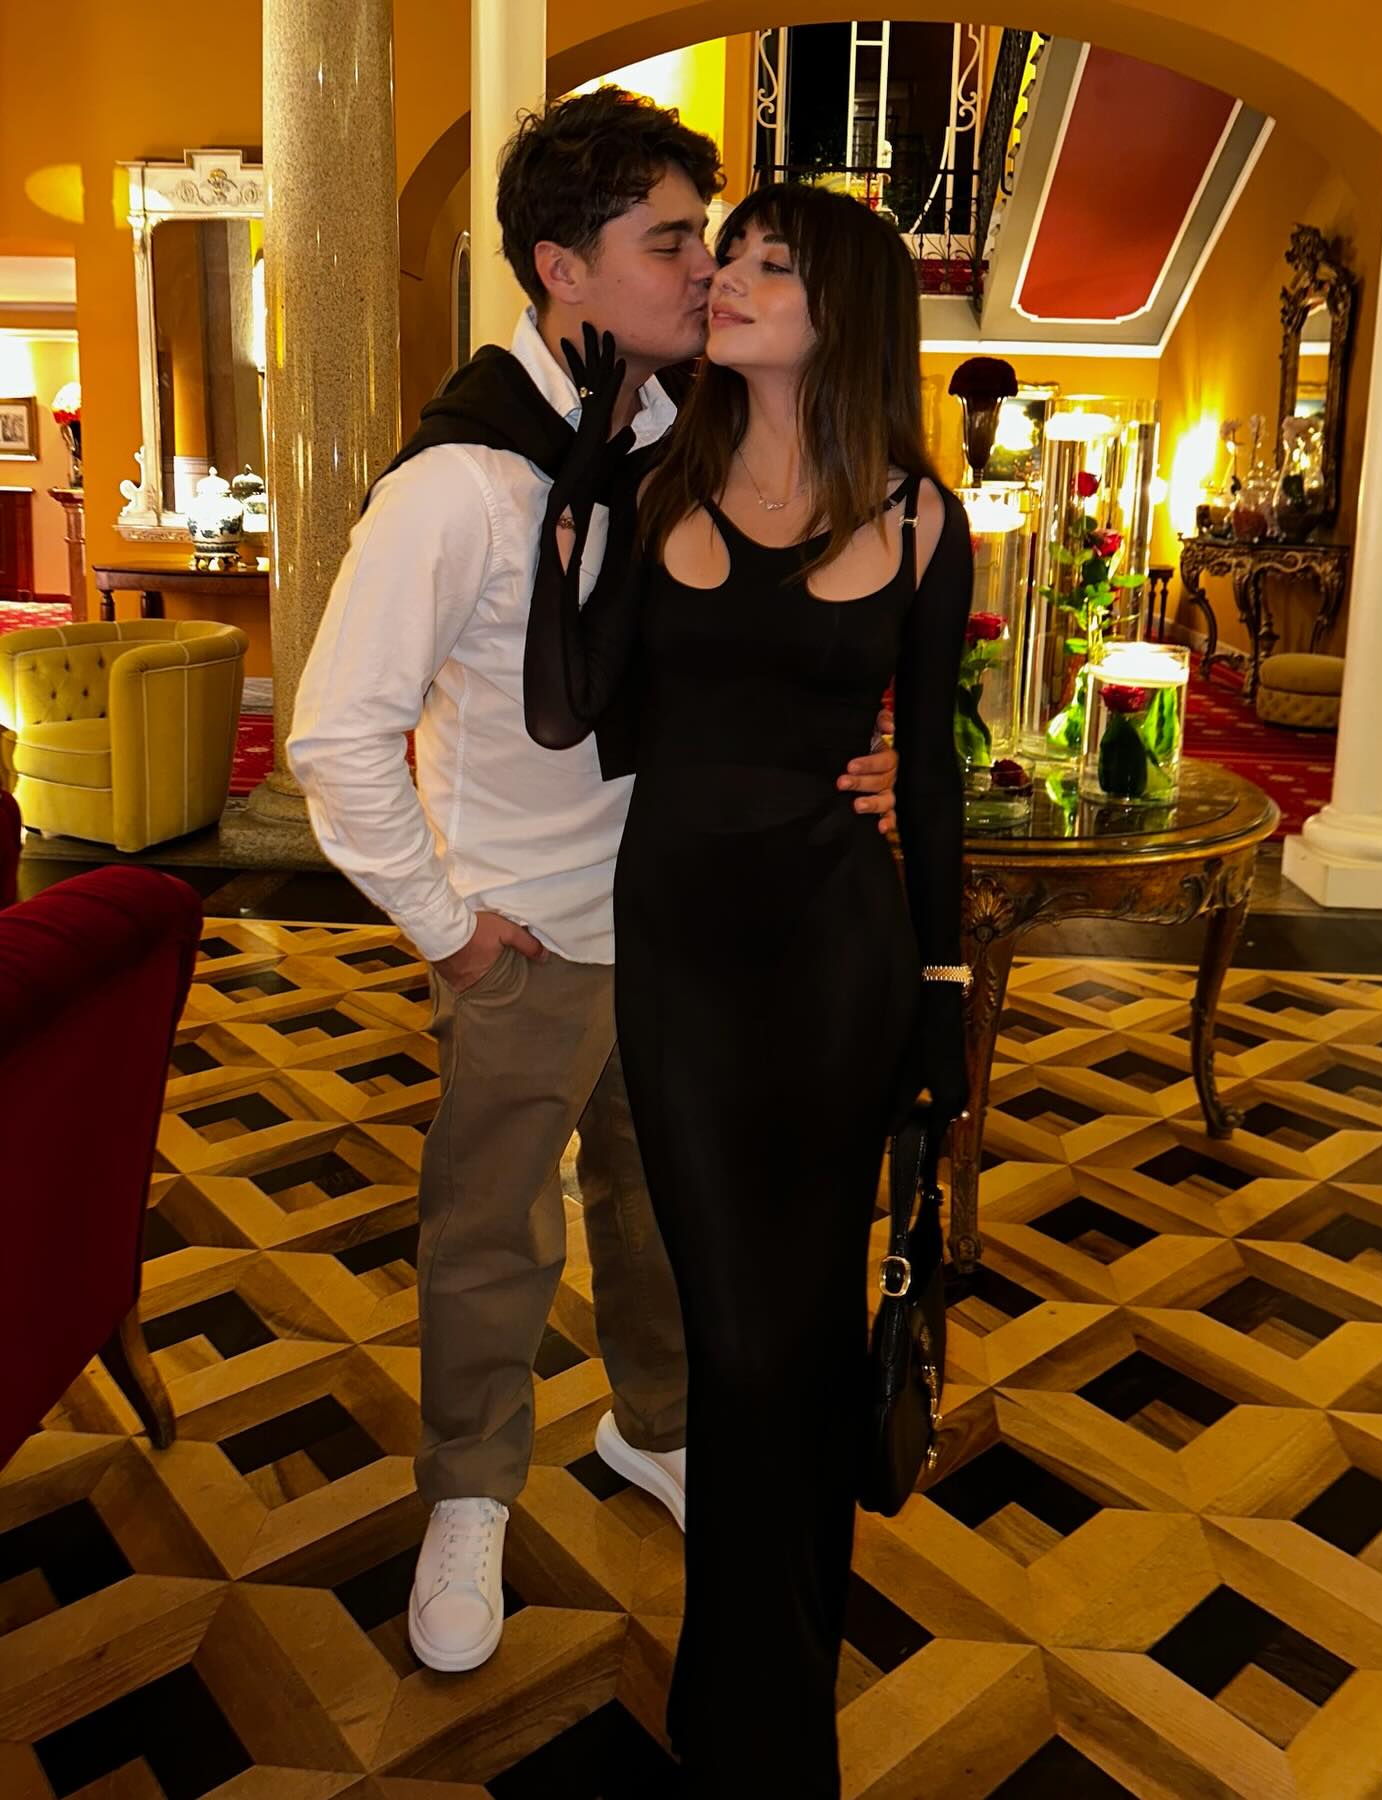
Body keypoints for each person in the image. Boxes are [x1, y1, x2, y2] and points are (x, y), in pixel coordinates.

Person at [286, 90, 900, 1678]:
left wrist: (870, 746)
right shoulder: (458, 484)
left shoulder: (676, 431)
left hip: (683, 924)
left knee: (663, 1214)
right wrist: (447, 929)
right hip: (526, 938)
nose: (709, 271)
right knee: (494, 1239)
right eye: (673, 241)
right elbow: (335, 737)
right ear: (564, 269)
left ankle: (658, 1426)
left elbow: (775, 630)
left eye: (711, 238)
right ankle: (470, 1493)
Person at [523, 183, 973, 1796]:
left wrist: (941, 989)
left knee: (810, 1333)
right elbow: (574, 710)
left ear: (843, 308)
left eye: (769, 263)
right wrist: (585, 474)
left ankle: (776, 1721)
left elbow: (933, 768)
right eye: (729, 257)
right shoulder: (658, 486)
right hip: (689, 968)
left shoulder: (922, 518)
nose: (726, 278)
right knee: (736, 1345)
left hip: (842, 958)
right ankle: (743, 1717)